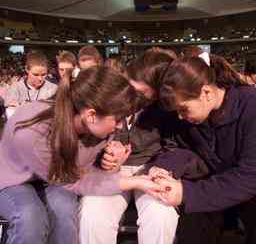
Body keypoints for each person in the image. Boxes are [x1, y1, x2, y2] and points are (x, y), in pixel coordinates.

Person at [0, 66, 164, 244]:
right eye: (117, 120)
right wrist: (136, 182)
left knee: (65, 212)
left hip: (54, 180)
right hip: (14, 181)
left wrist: (111, 161)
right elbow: (74, 180)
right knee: (30, 217)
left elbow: (84, 170)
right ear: (91, 115)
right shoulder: (32, 129)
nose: (119, 127)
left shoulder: (98, 129)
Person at [79, 48, 208, 244]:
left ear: (157, 94)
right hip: (113, 173)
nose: (130, 95)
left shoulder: (172, 109)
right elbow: (90, 133)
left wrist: (163, 168)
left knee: (161, 214)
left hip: (151, 169)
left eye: (140, 92)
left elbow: (178, 148)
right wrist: (106, 155)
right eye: (128, 84)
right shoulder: (112, 92)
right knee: (92, 213)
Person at [152, 53, 256, 244]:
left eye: (183, 109)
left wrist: (186, 193)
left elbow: (250, 176)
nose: (180, 117)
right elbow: (183, 150)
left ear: (206, 93)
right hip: (220, 190)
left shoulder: (251, 106)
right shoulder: (194, 116)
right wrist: (163, 167)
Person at [4, 50, 57, 118]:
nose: (40, 79)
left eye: (43, 74)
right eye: (35, 74)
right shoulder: (15, 88)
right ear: (27, 69)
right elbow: (10, 113)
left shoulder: (54, 89)